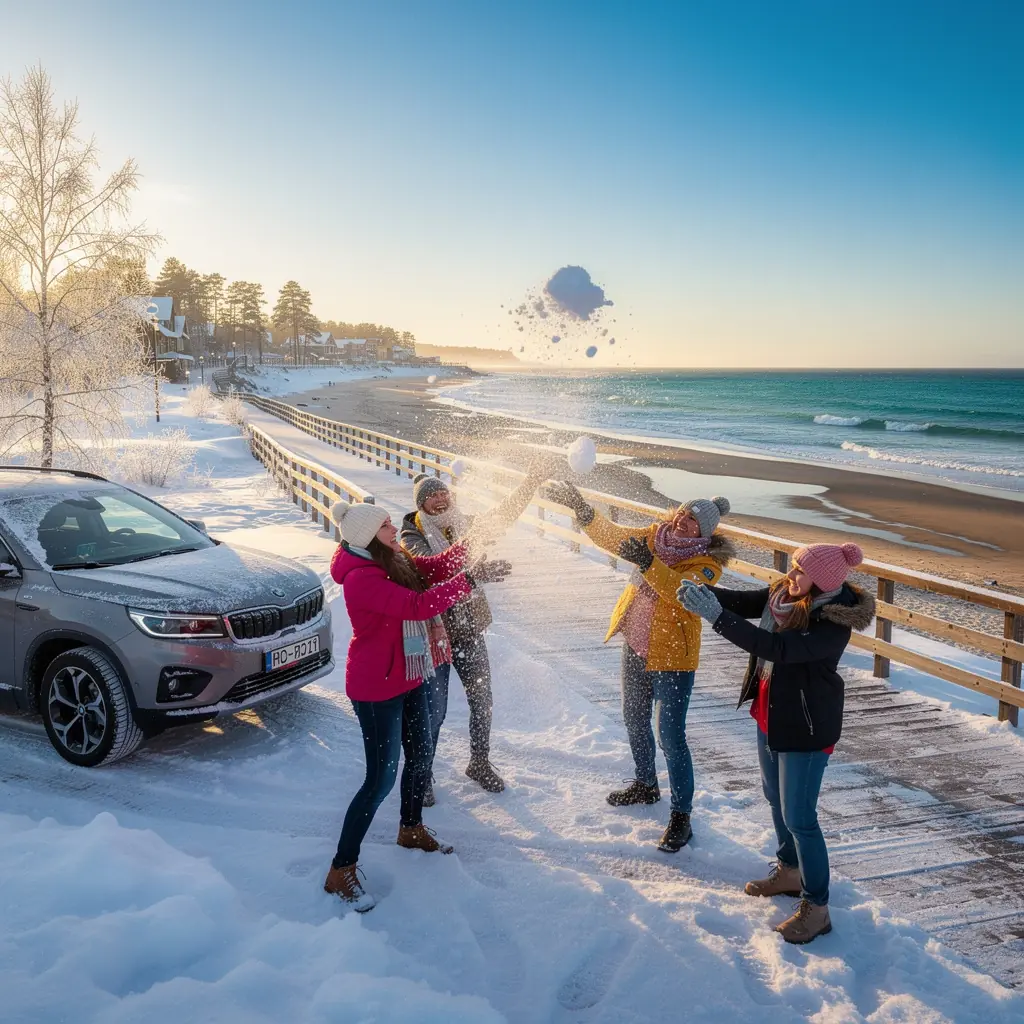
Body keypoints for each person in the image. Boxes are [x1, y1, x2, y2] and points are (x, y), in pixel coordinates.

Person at [678, 542, 874, 944]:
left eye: (801, 571)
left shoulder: (833, 624)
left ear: (821, 584)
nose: (791, 575)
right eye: (793, 565)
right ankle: (789, 870)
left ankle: (817, 908)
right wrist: (702, 591)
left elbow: (778, 649)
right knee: (774, 796)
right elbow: (741, 600)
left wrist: (715, 618)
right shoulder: (783, 595)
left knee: (801, 817)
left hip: (805, 726)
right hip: (771, 714)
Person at [323, 500, 510, 912]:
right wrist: (472, 580)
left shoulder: (394, 559)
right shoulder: (359, 578)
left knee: (422, 754)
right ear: (368, 536)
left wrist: (471, 545)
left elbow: (436, 568)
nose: (394, 527)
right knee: (379, 781)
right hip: (376, 689)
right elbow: (417, 606)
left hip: (411, 674)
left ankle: (411, 828)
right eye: (386, 525)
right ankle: (341, 869)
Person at [545, 482, 734, 852]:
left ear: (705, 532)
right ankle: (646, 785)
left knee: (671, 737)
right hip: (635, 645)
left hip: (672, 660)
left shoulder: (707, 565)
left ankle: (682, 817)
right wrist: (582, 509)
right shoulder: (653, 535)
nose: (683, 520)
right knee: (633, 717)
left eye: (693, 520)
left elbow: (683, 593)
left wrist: (649, 563)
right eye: (682, 511)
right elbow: (613, 537)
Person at [401, 455, 556, 796]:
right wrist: (473, 560)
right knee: (434, 712)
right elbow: (431, 569)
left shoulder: (464, 523)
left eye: (444, 493)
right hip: (434, 633)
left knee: (482, 699)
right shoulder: (410, 534)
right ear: (421, 504)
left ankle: (479, 762)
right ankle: (422, 776)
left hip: (469, 627)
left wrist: (529, 484)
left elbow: (504, 514)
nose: (441, 498)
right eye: (432, 495)